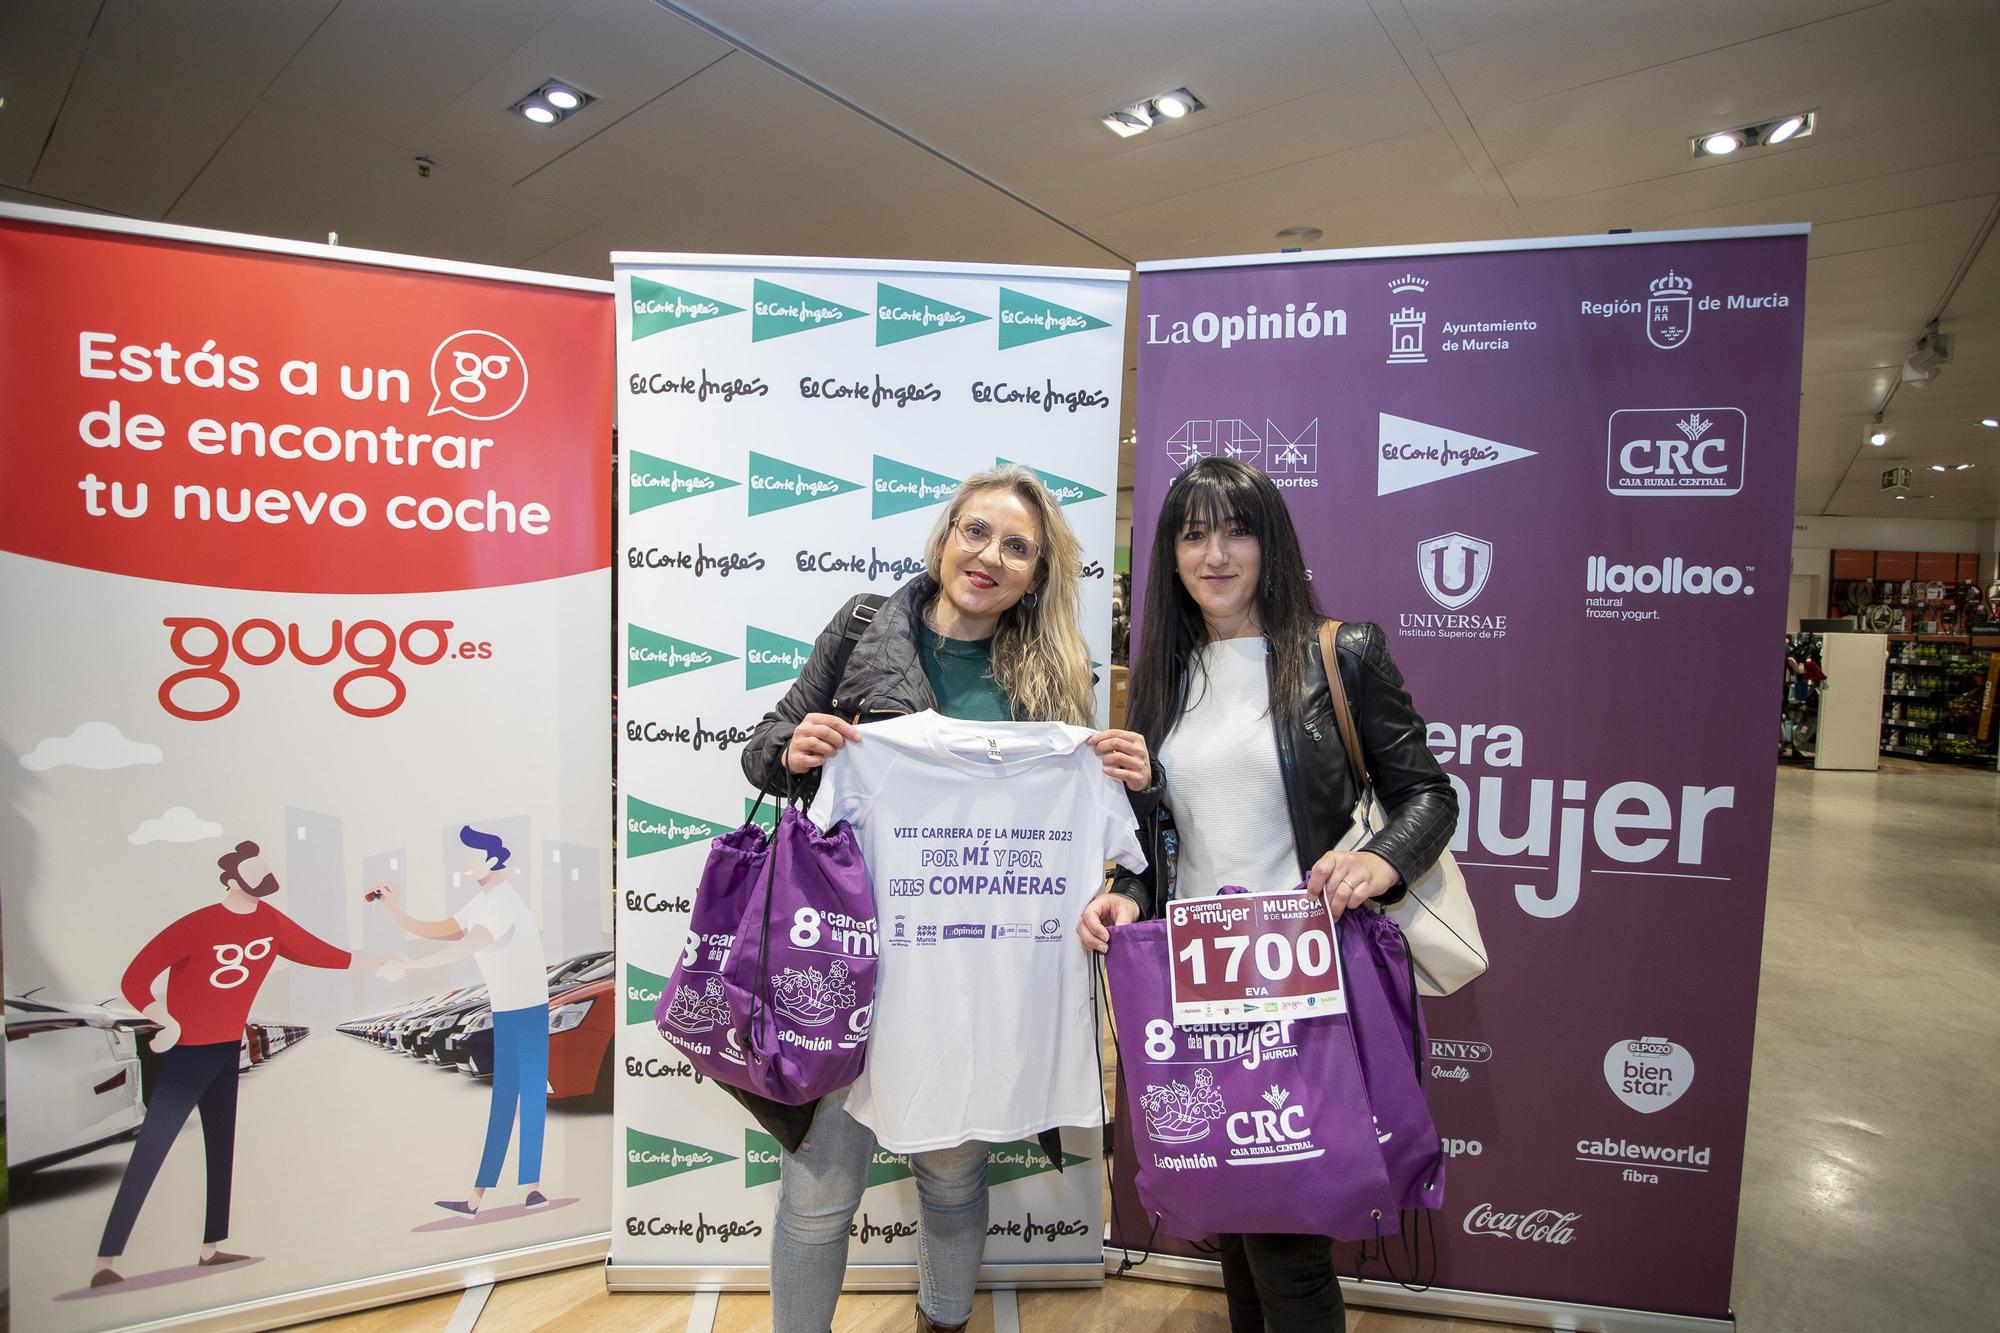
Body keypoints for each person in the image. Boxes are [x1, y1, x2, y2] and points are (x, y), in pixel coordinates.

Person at [741, 463, 1154, 1333]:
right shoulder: (861, 626)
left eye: (1016, 547)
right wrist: (797, 747)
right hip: (845, 959)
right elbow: (764, 751)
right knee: (818, 1189)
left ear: (1036, 574)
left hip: (968, 967)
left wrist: (1131, 784)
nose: (989, 556)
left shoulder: (1049, 680)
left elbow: (1091, 832)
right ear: (943, 536)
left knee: (955, 1177)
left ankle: (944, 1322)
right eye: (976, 532)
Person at [1077, 456, 1457, 1333]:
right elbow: (1170, 841)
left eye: (1236, 529)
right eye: (1193, 532)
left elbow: (1429, 794)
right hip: (1198, 980)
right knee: (1240, 1223)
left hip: (1302, 979)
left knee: (1287, 1243)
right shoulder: (1165, 681)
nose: (1216, 553)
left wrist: (1380, 862)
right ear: (1171, 553)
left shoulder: (1340, 653)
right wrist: (1129, 893)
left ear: (1271, 541)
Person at [93, 839, 384, 1288]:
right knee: (153, 1146)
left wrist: (372, 961)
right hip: (187, 1051)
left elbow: (317, 951)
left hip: (227, 1049)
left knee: (221, 1147)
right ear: (231, 880)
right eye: (255, 875)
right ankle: (106, 1261)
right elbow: (136, 976)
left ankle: (211, 1248)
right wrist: (163, 1018)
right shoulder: (199, 924)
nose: (264, 882)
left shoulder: (270, 922)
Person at [368, 825, 553, 1217]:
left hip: (529, 1008)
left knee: (528, 1097)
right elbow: (441, 930)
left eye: (470, 855)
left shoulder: (503, 901)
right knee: (509, 1097)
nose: (464, 862)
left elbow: (471, 943)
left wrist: (411, 965)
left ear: (489, 859)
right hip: (508, 1010)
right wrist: (394, 908)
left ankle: (528, 1189)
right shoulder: (482, 900)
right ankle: (482, 1197)